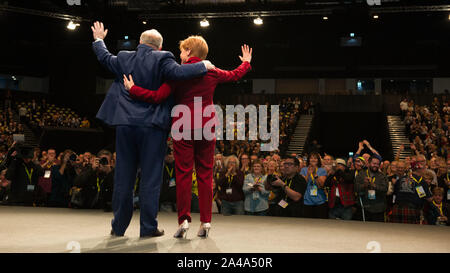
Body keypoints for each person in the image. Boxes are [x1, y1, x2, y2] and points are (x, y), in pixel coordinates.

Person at [91, 22, 214, 238]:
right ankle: (148, 228)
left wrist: (99, 39)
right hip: (152, 127)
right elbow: (178, 72)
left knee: (123, 178)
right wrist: (204, 65)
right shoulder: (163, 58)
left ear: (140, 43)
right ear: (159, 47)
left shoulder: (124, 57)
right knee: (150, 179)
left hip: (126, 125)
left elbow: (104, 57)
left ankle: (118, 227)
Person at [124, 37, 252, 238]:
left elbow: (157, 96)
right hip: (207, 125)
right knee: (205, 174)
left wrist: (134, 90)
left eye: (182, 51)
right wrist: (246, 62)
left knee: (183, 174)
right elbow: (234, 75)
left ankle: (183, 220)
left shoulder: (177, 74)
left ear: (189, 51)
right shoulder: (211, 72)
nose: (180, 55)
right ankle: (206, 222)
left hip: (183, 124)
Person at [391, 158, 432, 224]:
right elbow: (425, 197)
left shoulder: (401, 179)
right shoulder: (420, 181)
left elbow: (395, 193)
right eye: (423, 169)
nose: (425, 171)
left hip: (398, 208)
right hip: (412, 210)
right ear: (419, 170)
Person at [355, 156, 388, 222]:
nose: (375, 165)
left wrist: (374, 185)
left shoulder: (382, 176)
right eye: (374, 163)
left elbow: (385, 189)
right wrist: (364, 185)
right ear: (369, 163)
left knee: (378, 230)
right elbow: (356, 188)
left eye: (377, 164)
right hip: (364, 208)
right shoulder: (361, 174)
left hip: (378, 208)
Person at [301, 152, 328, 219]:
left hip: (320, 201)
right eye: (311, 158)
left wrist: (315, 174)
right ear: (308, 160)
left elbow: (321, 185)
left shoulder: (322, 170)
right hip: (307, 201)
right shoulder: (303, 170)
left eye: (315, 158)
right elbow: (303, 184)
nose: (313, 160)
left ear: (318, 160)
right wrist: (308, 174)